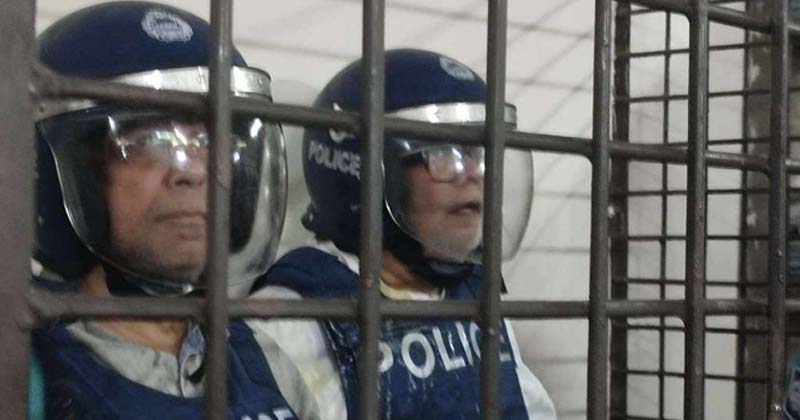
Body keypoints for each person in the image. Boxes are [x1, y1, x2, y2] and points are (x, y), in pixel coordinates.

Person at [31, 2, 320, 419]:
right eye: (151, 141)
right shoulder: (27, 375)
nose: (195, 171)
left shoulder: (262, 363)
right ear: (70, 173)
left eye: (215, 142)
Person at [251, 48, 557, 419]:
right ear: (365, 173)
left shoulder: (476, 298)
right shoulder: (292, 319)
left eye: (477, 153)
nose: (473, 174)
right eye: (443, 154)